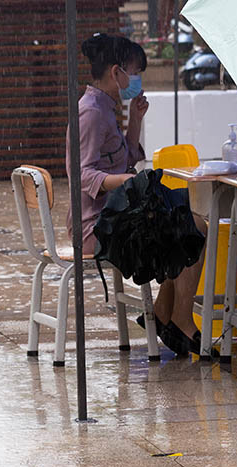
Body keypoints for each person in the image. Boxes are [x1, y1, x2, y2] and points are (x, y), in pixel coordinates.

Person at [67, 33, 205, 356]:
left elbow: (122, 159)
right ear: (117, 73)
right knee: (193, 226)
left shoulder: (105, 107)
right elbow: (83, 174)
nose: (137, 78)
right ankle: (180, 318)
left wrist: (135, 122)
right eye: (134, 70)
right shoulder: (91, 112)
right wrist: (129, 180)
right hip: (98, 227)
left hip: (115, 216)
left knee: (186, 212)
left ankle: (160, 313)